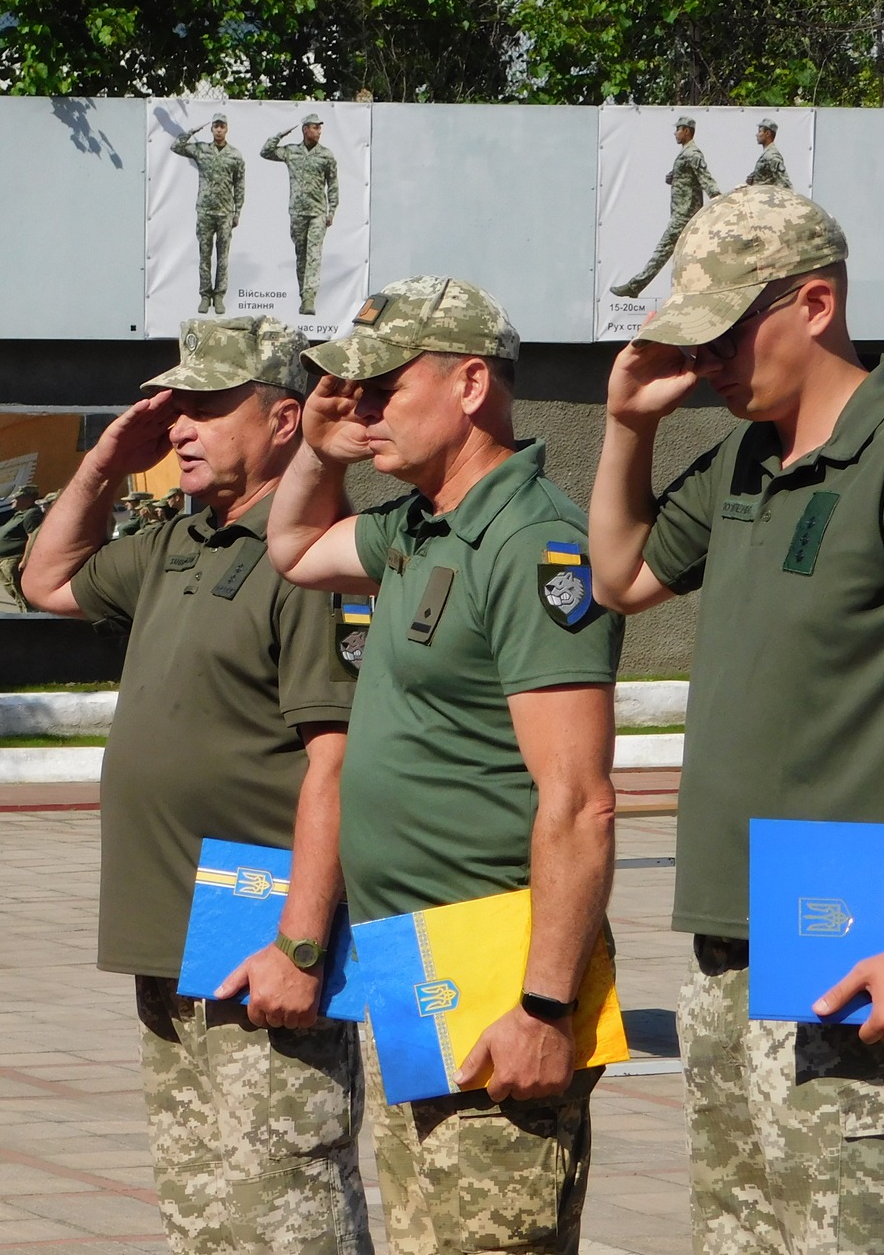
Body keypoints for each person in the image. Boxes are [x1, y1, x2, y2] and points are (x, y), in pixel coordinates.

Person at [586, 183, 884, 1249]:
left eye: (730, 331)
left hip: (861, 939)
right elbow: (618, 576)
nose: (712, 363)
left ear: (814, 304)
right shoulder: (747, 450)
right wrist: (622, 428)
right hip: (730, 940)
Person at [268, 276, 623, 1254]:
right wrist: (315, 443)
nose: (359, 408)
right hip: (418, 972)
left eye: (380, 388)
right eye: (350, 392)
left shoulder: (531, 540)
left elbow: (580, 800)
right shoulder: (417, 526)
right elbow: (294, 546)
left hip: (499, 987)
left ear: (470, 385)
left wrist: (542, 1007)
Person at [23, 316, 369, 1254]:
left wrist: (300, 947)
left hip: (259, 935)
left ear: (286, 421)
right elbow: (46, 581)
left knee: (285, 1206)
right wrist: (101, 466)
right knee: (205, 1214)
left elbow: (336, 759)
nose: (180, 426)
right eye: (173, 408)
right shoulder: (181, 540)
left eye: (210, 408)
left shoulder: (312, 557)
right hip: (169, 934)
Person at [610, 115, 719, 299]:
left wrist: (718, 200)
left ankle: (635, 286)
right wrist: (674, 177)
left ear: (686, 131)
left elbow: (705, 179)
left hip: (684, 216)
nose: (675, 133)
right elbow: (690, 178)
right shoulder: (686, 153)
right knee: (694, 257)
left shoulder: (692, 153)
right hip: (683, 213)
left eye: (678, 129)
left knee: (662, 252)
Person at [262, 114, 339, 317]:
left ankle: (309, 298)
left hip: (318, 213)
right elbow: (266, 152)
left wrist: (331, 211)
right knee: (301, 255)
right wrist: (280, 135)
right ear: (305, 130)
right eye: (315, 127)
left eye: (320, 128)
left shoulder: (326, 155)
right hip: (297, 211)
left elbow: (333, 185)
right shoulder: (292, 152)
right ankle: (302, 293)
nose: (319, 131)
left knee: (314, 255)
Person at [172, 116, 247, 314]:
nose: (219, 130)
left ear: (227, 129)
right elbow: (176, 147)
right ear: (211, 129)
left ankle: (219, 296)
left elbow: (239, 186)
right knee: (205, 255)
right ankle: (205, 295)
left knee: (222, 256)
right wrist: (191, 132)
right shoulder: (201, 149)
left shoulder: (235, 155)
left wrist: (237, 211)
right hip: (205, 211)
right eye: (216, 126)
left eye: (222, 126)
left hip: (224, 213)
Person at [0, 485, 44, 612]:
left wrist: (25, 560)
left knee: (24, 596)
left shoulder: (32, 514)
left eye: (17, 498)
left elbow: (33, 537)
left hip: (11, 560)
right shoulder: (19, 514)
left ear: (28, 499)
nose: (13, 500)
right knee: (17, 596)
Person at [746, 118, 791, 189]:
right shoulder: (767, 153)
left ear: (767, 133)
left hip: (767, 196)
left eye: (760, 131)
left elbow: (784, 181)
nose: (757, 135)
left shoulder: (772, 155)